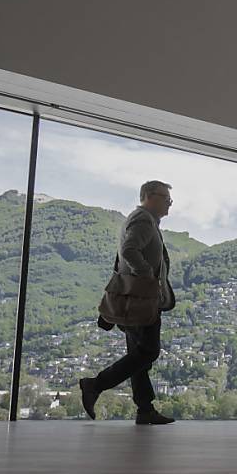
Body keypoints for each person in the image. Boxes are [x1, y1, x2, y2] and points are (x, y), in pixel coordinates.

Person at [79, 180, 177, 425]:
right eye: (166, 198)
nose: (170, 203)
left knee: (138, 355)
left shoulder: (145, 221)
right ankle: (95, 384)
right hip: (141, 300)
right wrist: (147, 276)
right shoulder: (143, 220)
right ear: (149, 196)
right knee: (148, 352)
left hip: (135, 298)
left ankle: (144, 409)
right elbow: (129, 250)